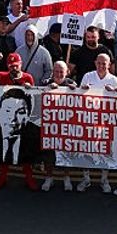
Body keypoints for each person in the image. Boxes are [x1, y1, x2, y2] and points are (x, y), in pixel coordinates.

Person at [77, 53, 117, 193]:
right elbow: (78, 97)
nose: (101, 66)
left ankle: (104, 179)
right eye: (99, 63)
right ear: (95, 63)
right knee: (86, 148)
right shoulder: (88, 76)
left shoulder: (113, 80)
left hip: (105, 120)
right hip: (89, 118)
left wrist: (114, 92)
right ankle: (86, 178)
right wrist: (83, 89)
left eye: (104, 63)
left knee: (105, 149)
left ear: (109, 64)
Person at [0, 83, 40, 192]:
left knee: (26, 155)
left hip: (26, 141)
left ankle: (29, 178)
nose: (13, 119)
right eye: (7, 111)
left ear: (28, 115)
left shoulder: (36, 133)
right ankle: (2, 177)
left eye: (20, 112)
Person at [41, 61, 78, 192]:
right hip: (50, 126)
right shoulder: (46, 83)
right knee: (49, 153)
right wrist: (47, 88)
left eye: (61, 72)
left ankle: (66, 177)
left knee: (66, 151)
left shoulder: (71, 84)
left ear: (67, 72)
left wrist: (76, 90)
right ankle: (49, 177)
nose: (58, 74)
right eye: (56, 71)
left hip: (66, 126)